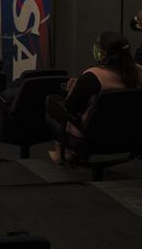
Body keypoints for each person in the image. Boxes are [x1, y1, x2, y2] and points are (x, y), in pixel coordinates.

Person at [46, 31, 142, 164]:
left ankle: (63, 151)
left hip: (93, 137)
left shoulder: (93, 76)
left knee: (53, 102)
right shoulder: (138, 73)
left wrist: (72, 90)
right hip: (129, 136)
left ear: (103, 53)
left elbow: (70, 108)